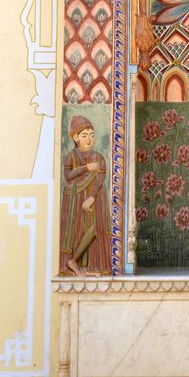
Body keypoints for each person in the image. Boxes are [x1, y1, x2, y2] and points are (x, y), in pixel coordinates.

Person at [59, 115, 111, 275]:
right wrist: (86, 168)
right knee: (77, 230)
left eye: (92, 135)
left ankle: (78, 261)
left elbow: (101, 178)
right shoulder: (71, 156)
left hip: (94, 197)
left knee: (97, 227)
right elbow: (68, 176)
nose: (89, 139)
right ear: (75, 137)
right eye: (84, 135)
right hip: (75, 198)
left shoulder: (99, 157)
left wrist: (92, 197)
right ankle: (74, 262)